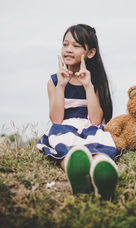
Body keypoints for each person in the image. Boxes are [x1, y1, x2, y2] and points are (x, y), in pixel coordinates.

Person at [37, 24, 118, 199]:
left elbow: (96, 120)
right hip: (65, 127)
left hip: (90, 127)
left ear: (90, 53)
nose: (68, 49)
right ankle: (77, 175)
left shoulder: (95, 81)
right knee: (66, 148)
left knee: (97, 146)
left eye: (76, 46)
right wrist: (61, 86)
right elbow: (57, 120)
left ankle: (102, 174)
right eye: (65, 44)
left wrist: (88, 85)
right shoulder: (53, 81)